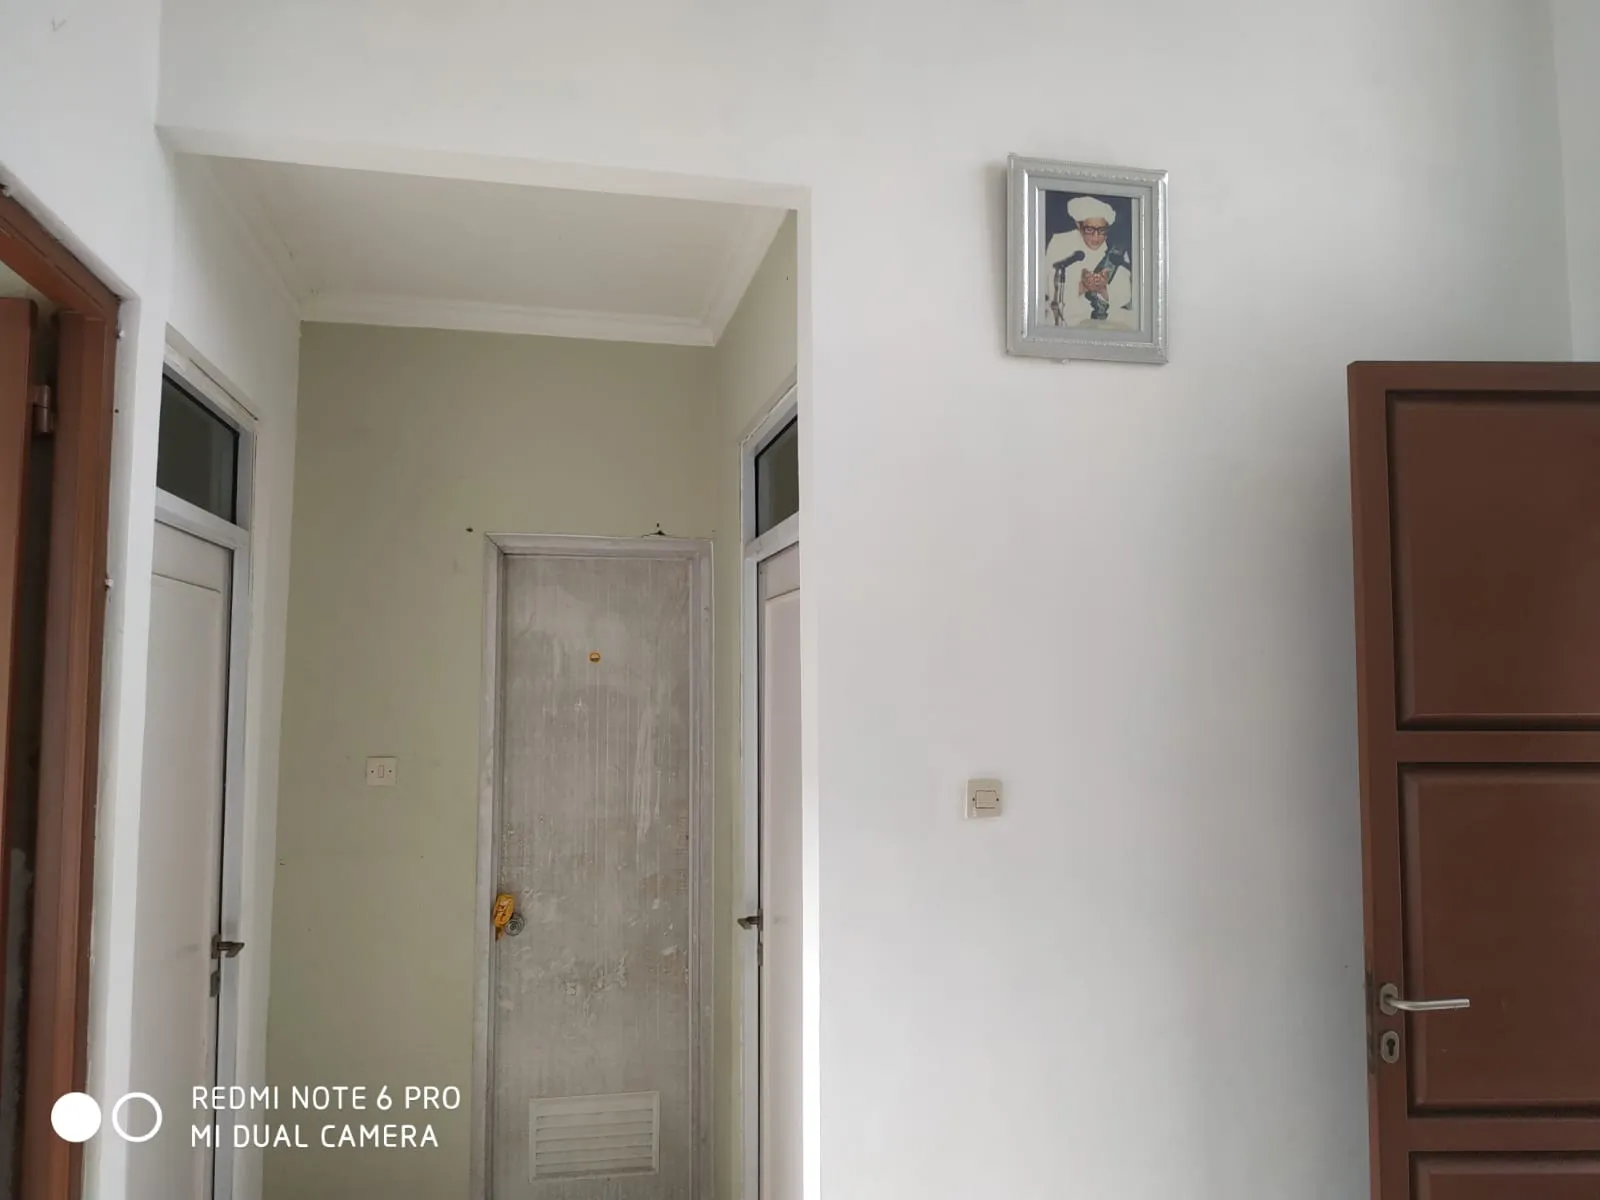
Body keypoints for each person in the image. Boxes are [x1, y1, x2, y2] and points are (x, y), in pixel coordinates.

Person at [1041, 195, 1133, 327]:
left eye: (1102, 230)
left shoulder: (1116, 251)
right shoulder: (1060, 242)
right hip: (1066, 319)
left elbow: (1125, 296)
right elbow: (1047, 288)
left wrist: (1103, 289)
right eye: (1090, 229)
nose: (1096, 236)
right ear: (1079, 225)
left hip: (1106, 322)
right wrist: (1082, 287)